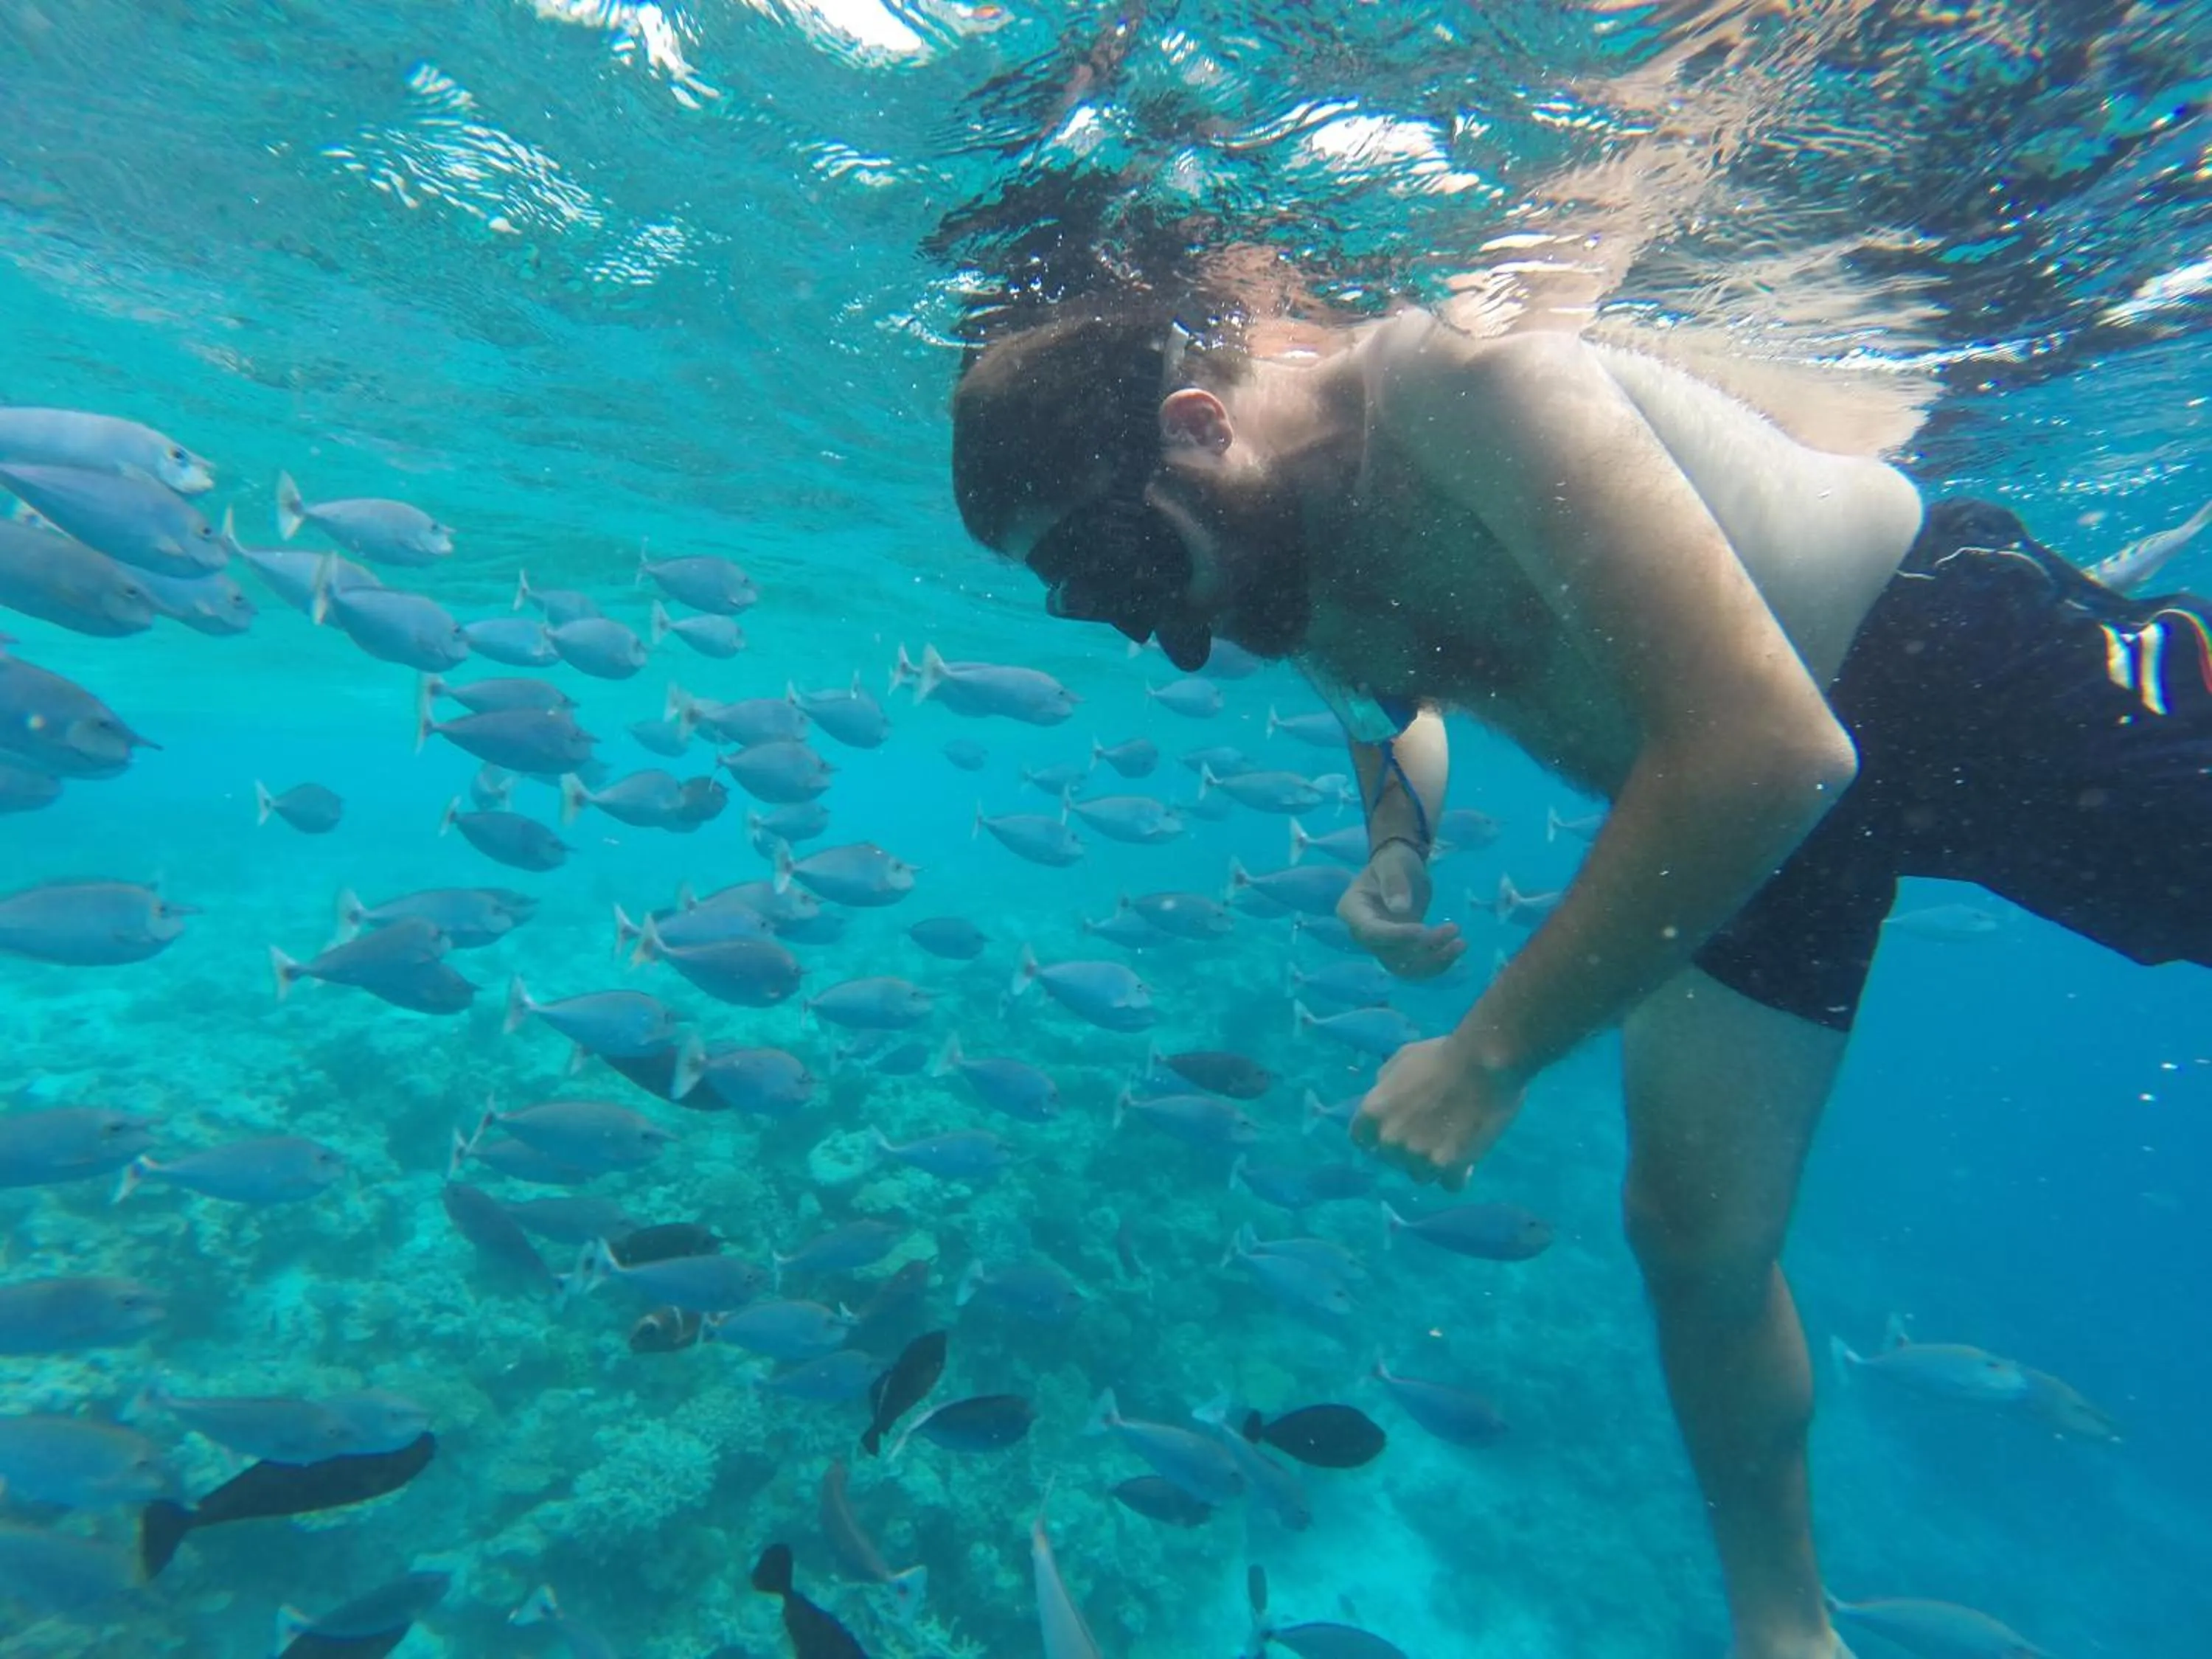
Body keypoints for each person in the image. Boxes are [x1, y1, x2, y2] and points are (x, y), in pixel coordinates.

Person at [947, 298, 2212, 1658]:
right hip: (1734, 826)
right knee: (1692, 1236)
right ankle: (1787, 1632)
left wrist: (1488, 1053)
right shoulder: (1261, 543)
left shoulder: (1466, 391)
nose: (1149, 624)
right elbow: (1396, 703)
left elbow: (1772, 744)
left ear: (1195, 428)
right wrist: (1397, 843)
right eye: (1085, 598)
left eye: (1114, 558)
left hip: (1923, 661)